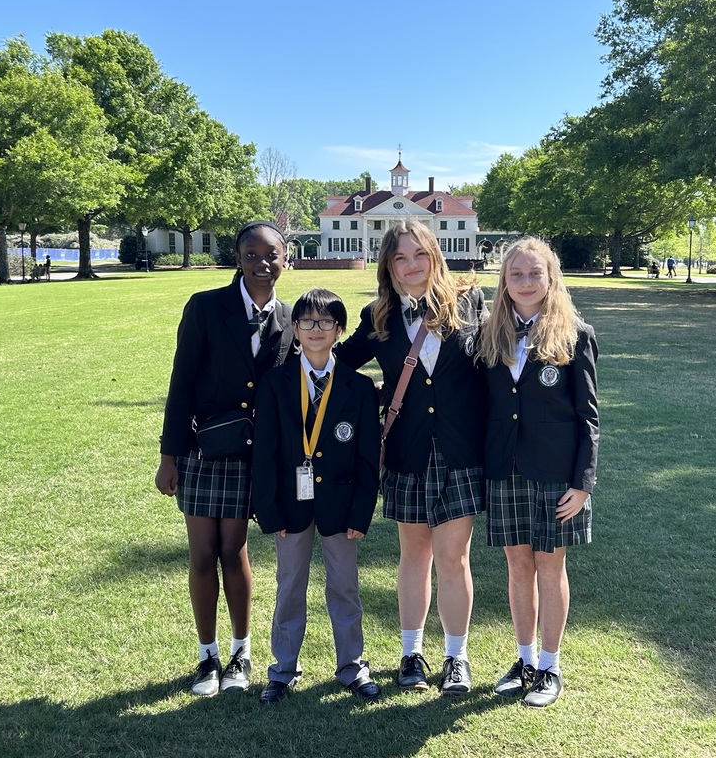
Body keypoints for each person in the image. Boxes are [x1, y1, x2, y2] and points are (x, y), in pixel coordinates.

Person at [336, 219, 486, 696]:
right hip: (407, 450)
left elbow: (494, 364)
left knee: (453, 558)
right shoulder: (378, 316)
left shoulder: (469, 302)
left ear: (434, 255)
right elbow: (336, 364)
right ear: (388, 266)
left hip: (461, 451)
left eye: (419, 254)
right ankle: (411, 654)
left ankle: (456, 657)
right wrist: (373, 394)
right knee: (414, 556)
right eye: (400, 257)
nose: (411, 265)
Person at [155, 220, 296, 697]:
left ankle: (240, 652)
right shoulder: (205, 307)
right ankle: (207, 656)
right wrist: (169, 455)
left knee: (234, 552)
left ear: (285, 259)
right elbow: (181, 382)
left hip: (250, 455)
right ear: (238, 259)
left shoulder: (290, 318)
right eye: (251, 255)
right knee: (202, 554)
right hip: (202, 448)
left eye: (271, 255)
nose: (262, 263)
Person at [477, 237, 599, 708]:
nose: (525, 282)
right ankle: (525, 659)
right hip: (505, 469)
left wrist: (582, 484)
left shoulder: (576, 334)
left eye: (535, 273)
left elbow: (588, 417)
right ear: (504, 282)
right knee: (517, 566)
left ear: (551, 278)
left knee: (550, 566)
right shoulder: (490, 334)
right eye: (516, 275)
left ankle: (550, 665)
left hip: (555, 473)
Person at [251, 288, 381, 704]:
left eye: (326, 322)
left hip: (341, 506)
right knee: (289, 586)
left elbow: (368, 457)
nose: (315, 329)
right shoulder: (276, 383)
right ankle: (283, 669)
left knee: (345, 588)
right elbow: (265, 452)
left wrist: (361, 513)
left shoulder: (359, 387)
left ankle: (352, 666)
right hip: (289, 506)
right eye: (306, 321)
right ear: (295, 328)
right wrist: (268, 511)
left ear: (339, 330)